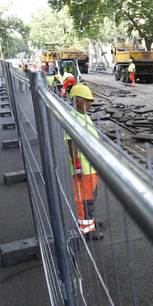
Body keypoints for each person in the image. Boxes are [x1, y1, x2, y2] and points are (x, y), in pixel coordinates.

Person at [65, 85, 103, 240]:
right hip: (84, 168)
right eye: (87, 101)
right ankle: (87, 230)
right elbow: (71, 143)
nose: (90, 104)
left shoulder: (83, 115)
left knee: (91, 196)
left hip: (90, 166)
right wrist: (77, 165)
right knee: (86, 199)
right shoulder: (74, 118)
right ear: (78, 102)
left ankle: (90, 221)